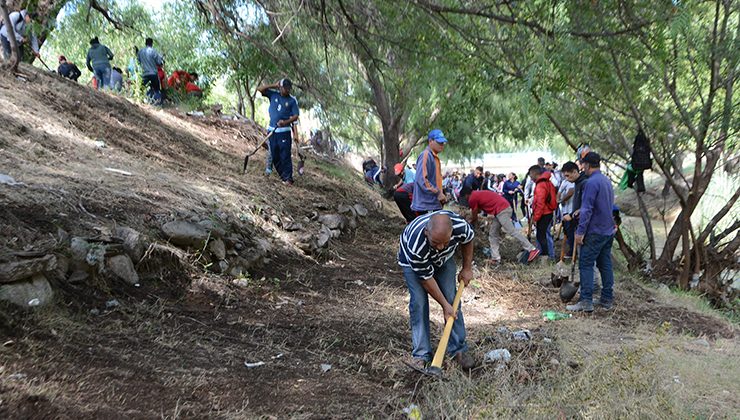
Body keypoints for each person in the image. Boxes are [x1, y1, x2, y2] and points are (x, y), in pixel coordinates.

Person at [398, 211, 476, 371]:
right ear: (427, 232)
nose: (440, 247)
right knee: (419, 303)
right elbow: (426, 279)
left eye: (445, 242)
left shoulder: (460, 226)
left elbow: (468, 240)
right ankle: (421, 354)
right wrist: (444, 305)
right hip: (412, 263)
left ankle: (458, 349)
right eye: (435, 242)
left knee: (452, 299)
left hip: (445, 261)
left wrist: (467, 268)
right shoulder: (416, 244)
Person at [567, 152, 616, 312]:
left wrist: (580, 232)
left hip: (594, 230)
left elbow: (588, 209)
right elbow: (602, 205)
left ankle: (586, 300)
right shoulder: (606, 181)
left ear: (587, 165)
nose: (582, 168)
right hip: (607, 230)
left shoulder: (590, 183)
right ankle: (607, 299)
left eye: (583, 165)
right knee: (605, 264)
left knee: (586, 264)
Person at [460, 188, 539, 265]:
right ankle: (496, 258)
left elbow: (475, 214)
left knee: (512, 231)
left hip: (502, 210)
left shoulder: (472, 197)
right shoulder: (477, 194)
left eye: (465, 197)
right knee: (493, 234)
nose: (465, 199)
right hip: (501, 210)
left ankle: (532, 249)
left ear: (466, 195)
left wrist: (471, 222)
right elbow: (479, 210)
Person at [257, 78, 300, 185]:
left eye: (288, 89)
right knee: (274, 154)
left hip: (284, 132)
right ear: (280, 87)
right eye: (284, 88)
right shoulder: (273, 95)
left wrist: (285, 122)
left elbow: (295, 116)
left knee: (285, 155)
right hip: (272, 131)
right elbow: (260, 89)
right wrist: (273, 85)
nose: (287, 91)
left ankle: (288, 178)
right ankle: (283, 176)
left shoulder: (292, 100)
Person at [412, 129, 447, 214]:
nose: (442, 145)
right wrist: (438, 193)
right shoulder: (426, 155)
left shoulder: (434, 157)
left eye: (443, 143)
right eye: (439, 142)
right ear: (430, 141)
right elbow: (422, 180)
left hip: (432, 204)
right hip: (426, 205)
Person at [529, 165, 557, 260]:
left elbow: (540, 203)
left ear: (535, 173)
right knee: (546, 234)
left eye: (530, 175)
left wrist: (536, 218)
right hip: (548, 212)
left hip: (544, 213)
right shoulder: (547, 182)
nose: (530, 177)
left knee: (541, 236)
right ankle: (549, 255)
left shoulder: (541, 185)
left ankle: (545, 256)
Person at [558, 162, 577, 258]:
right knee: (567, 231)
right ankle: (571, 250)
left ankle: (573, 252)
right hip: (565, 210)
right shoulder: (565, 181)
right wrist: (558, 200)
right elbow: (560, 191)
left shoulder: (573, 182)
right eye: (565, 175)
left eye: (568, 175)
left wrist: (562, 199)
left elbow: (570, 192)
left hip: (571, 211)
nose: (566, 177)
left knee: (571, 231)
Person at [137, 38, 164, 103]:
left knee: (142, 89)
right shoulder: (153, 51)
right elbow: (159, 63)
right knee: (156, 90)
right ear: (152, 43)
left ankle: (140, 102)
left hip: (144, 74)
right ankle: (157, 104)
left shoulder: (140, 52)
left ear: (145, 43)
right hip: (153, 74)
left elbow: (138, 62)